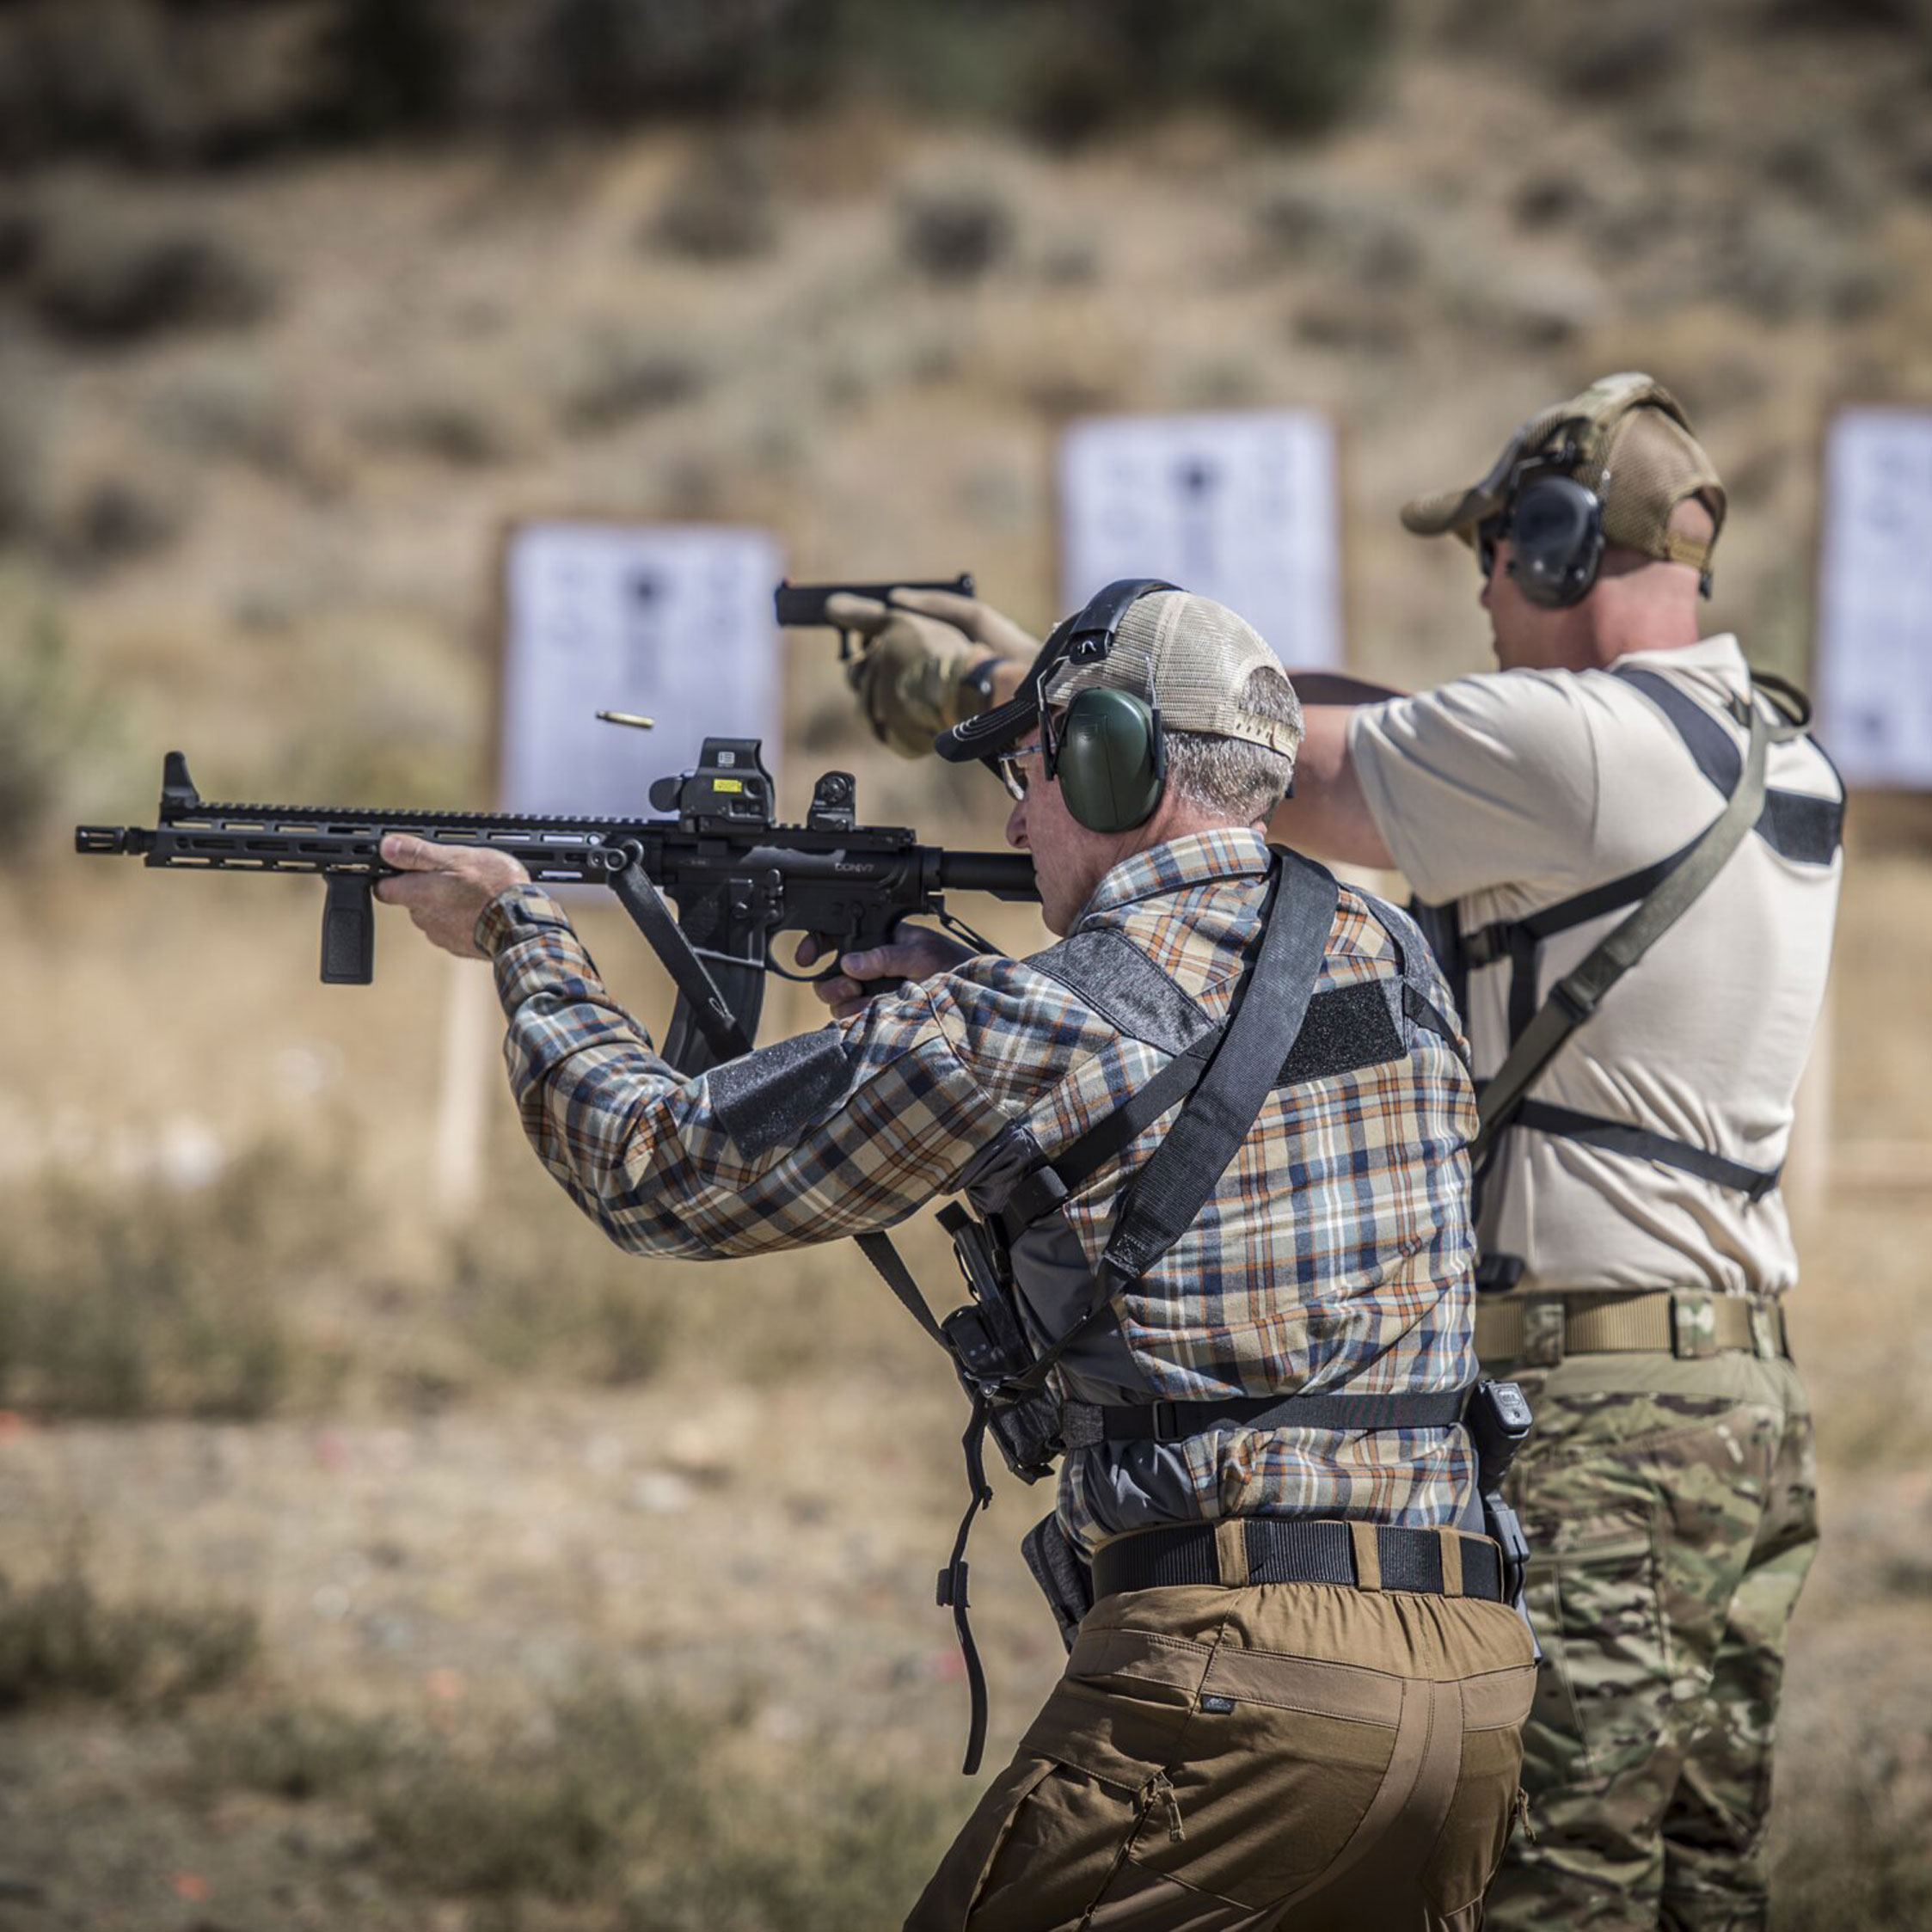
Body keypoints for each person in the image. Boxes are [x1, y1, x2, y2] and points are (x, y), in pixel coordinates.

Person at [839, 374, 1844, 1931]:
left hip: (1595, 1403)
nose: (1483, 591)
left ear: (1565, 546)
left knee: (1548, 1896)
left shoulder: (1572, 745)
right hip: (1739, 1395)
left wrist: (985, 680)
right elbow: (1342, 720)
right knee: (1701, 1886)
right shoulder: (1770, 743)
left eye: (1496, 553)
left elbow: (1252, 769)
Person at [377, 584, 1536, 1930]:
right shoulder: (1388, 954)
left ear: (1118, 762)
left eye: (1034, 772)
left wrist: (523, 935)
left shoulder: (1025, 1028)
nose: (1012, 817)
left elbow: (654, 1168)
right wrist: (965, 979)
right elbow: (1196, 1060)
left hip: (1236, 1693)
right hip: (1472, 1687)